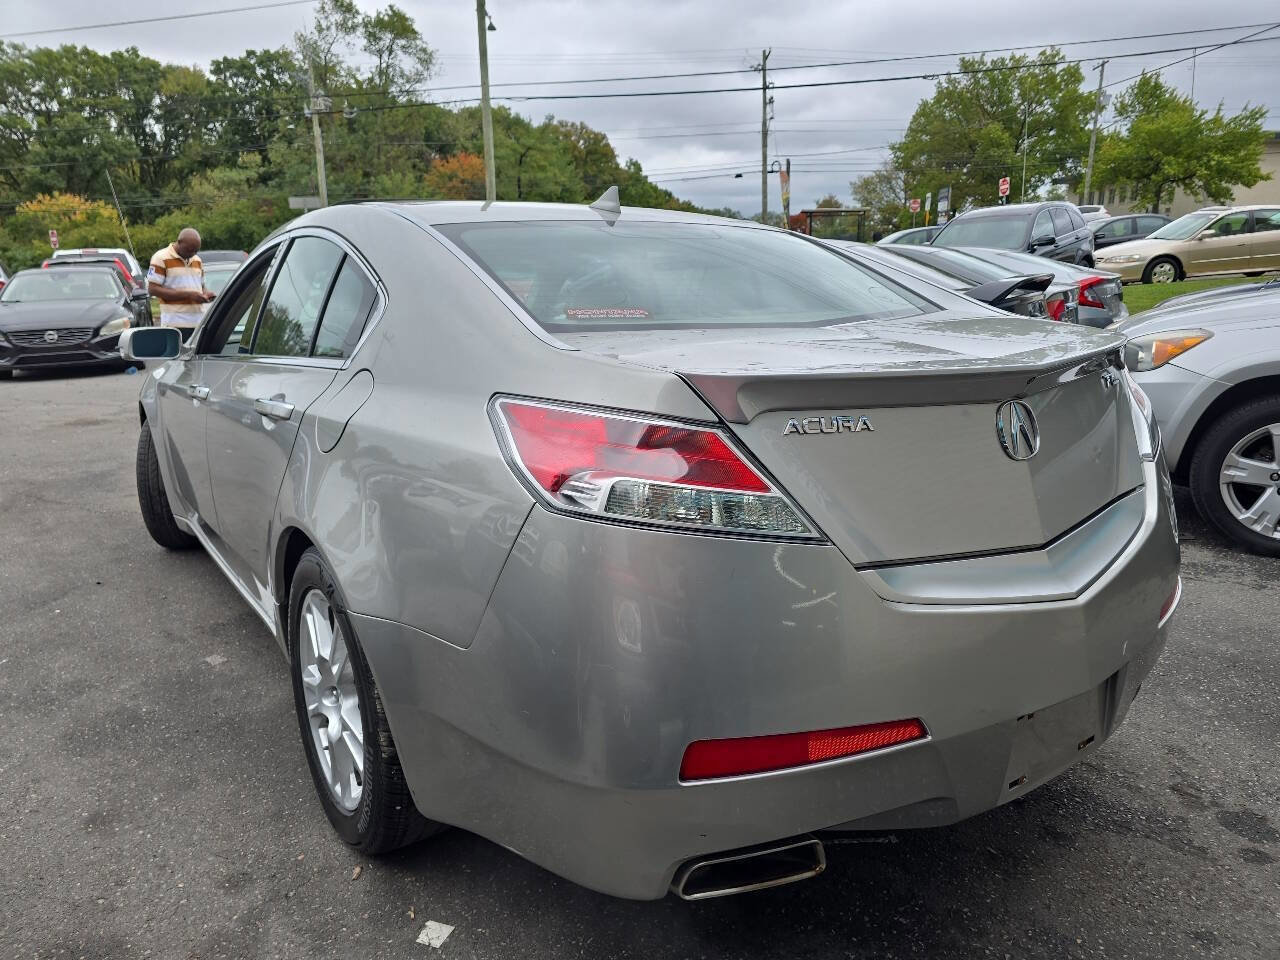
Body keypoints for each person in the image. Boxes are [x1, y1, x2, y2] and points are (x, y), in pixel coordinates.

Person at [147, 227, 214, 342]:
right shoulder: (160, 258)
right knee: (176, 354)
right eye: (189, 250)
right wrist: (189, 295)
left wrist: (206, 294)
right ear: (179, 242)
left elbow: (201, 286)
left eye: (196, 251)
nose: (192, 254)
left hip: (198, 323)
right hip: (174, 325)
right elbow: (153, 289)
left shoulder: (197, 260)